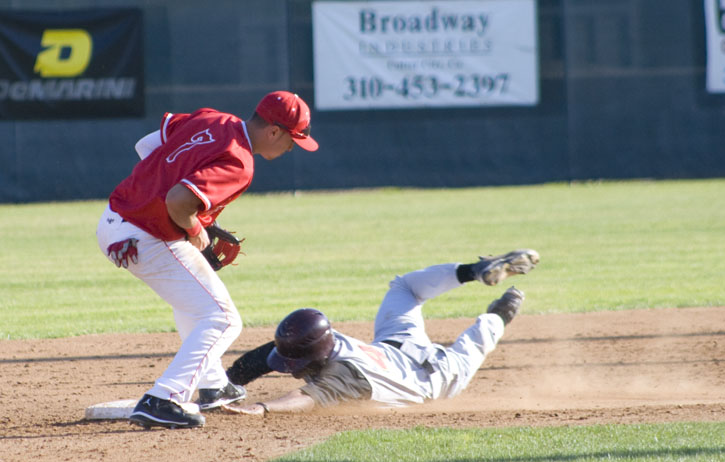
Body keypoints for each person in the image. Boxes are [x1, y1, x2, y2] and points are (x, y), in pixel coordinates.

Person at [95, 91, 319, 429]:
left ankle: (213, 385)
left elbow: (146, 146)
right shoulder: (241, 162)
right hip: (145, 234)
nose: (292, 148)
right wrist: (196, 227)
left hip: (115, 220)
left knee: (198, 302)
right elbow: (178, 201)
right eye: (293, 139)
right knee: (223, 318)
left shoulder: (213, 119)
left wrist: (152, 193)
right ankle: (164, 398)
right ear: (273, 131)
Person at [221, 249, 539, 415]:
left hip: (437, 378)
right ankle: (473, 272)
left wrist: (261, 408)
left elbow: (304, 399)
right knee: (404, 287)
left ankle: (505, 309)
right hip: (396, 344)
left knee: (477, 341)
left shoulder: (342, 374)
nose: (290, 369)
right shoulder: (324, 339)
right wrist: (229, 381)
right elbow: (270, 353)